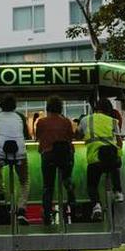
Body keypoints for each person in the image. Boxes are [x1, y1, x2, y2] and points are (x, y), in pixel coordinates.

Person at [34, 95, 77, 226]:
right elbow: (71, 138)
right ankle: (72, 200)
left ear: (48, 108)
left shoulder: (41, 122)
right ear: (60, 108)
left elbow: (38, 137)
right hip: (65, 155)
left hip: (48, 155)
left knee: (48, 187)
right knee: (67, 178)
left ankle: (47, 215)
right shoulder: (66, 122)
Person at [81, 98, 123, 222]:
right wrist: (118, 157)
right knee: (114, 167)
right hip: (110, 156)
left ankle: (96, 205)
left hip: (95, 159)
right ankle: (118, 192)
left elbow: (77, 134)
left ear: (96, 108)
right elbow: (119, 143)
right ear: (109, 110)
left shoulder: (85, 120)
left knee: (92, 185)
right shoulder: (113, 121)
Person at [0, 93, 31, 223]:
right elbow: (26, 135)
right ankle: (21, 209)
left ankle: (0, 191)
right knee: (24, 181)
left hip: (2, 153)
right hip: (19, 153)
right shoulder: (20, 116)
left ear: (1, 105)